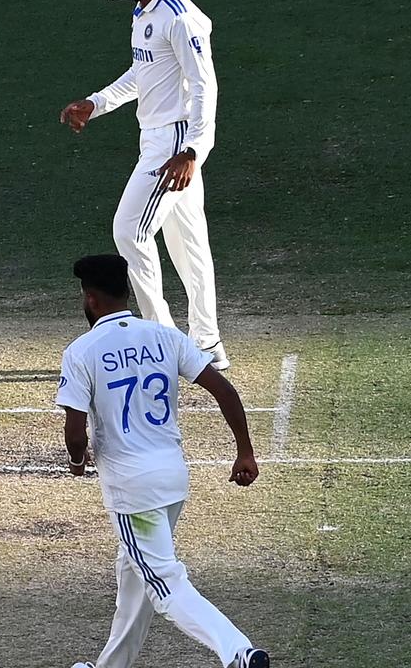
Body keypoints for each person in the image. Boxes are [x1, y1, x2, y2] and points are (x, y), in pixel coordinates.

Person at [55, 254, 268, 668]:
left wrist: (77, 463)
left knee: (164, 582)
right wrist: (245, 450)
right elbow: (224, 390)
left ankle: (238, 652)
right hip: (172, 478)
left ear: (91, 299)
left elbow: (75, 431)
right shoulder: (163, 337)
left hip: (134, 491)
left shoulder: (81, 351)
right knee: (134, 576)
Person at [60, 0, 228, 370]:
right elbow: (142, 74)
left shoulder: (180, 16)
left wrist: (192, 151)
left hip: (173, 143)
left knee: (129, 231)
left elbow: (205, 87)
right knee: (189, 246)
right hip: (158, 138)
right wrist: (95, 104)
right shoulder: (144, 14)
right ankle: (207, 344)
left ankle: (162, 340)